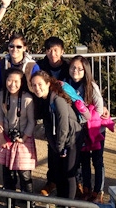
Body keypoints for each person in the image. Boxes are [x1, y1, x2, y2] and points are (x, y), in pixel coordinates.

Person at [29, 71, 82, 201]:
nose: (37, 88)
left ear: (48, 84)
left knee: (69, 174)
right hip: (59, 141)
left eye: (40, 84)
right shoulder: (43, 100)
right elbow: (48, 126)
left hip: (72, 138)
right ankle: (61, 201)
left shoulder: (57, 99)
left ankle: (68, 204)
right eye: (34, 85)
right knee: (59, 174)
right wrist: (56, 147)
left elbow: (63, 124)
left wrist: (60, 146)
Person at [64, 55, 109, 203]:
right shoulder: (66, 84)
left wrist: (85, 115)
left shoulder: (91, 87)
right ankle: (87, 189)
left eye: (80, 69)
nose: (75, 71)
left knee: (97, 160)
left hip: (95, 129)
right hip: (79, 130)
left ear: (86, 70)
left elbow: (100, 108)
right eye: (73, 68)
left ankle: (98, 190)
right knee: (83, 160)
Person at [0, 68, 37, 205]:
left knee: (24, 173)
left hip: (24, 138)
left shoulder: (27, 99)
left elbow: (32, 121)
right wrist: (1, 136)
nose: (12, 84)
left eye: (16, 81)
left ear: (22, 82)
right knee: (7, 173)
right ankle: (10, 200)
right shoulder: (2, 95)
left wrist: (24, 137)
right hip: (6, 137)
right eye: (9, 80)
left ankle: (28, 200)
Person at [35, 36, 68, 196]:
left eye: (56, 50)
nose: (52, 53)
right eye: (49, 50)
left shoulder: (68, 67)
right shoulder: (40, 66)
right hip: (47, 110)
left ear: (62, 51)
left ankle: (75, 181)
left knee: (72, 146)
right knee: (52, 146)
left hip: (67, 110)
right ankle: (52, 180)